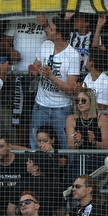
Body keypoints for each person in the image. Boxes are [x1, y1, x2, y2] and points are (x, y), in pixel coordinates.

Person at [28, 14, 80, 148]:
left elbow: (70, 89)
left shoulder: (73, 56)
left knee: (64, 145)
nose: (47, 30)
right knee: (36, 142)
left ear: (58, 35)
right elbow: (36, 67)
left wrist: (51, 76)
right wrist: (33, 71)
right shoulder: (46, 44)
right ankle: (36, 168)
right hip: (41, 105)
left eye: (51, 29)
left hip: (61, 108)